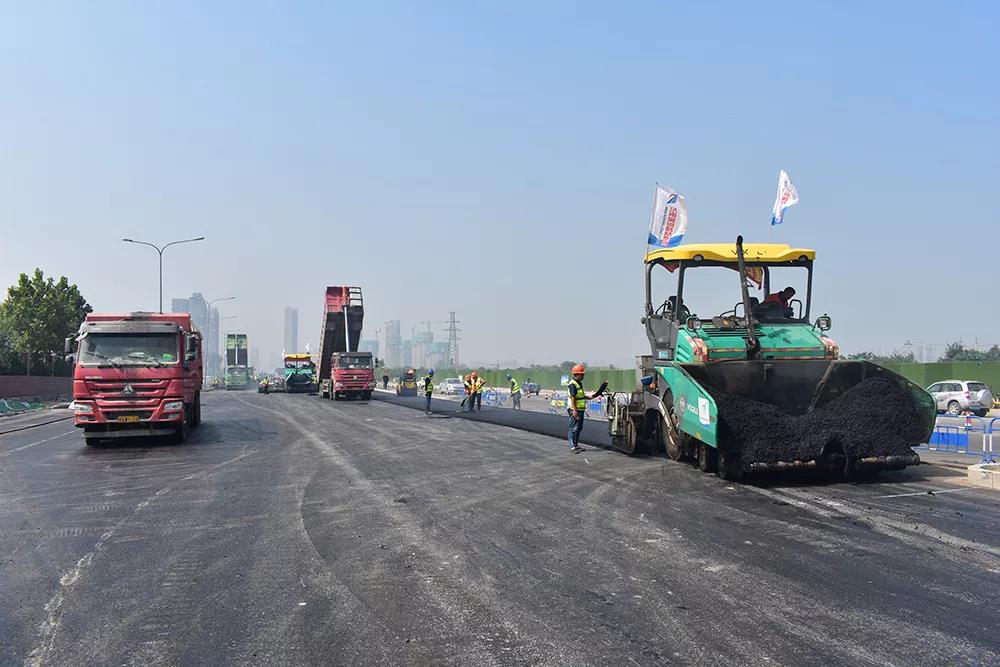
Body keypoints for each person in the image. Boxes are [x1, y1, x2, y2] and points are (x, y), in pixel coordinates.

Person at [567, 363, 599, 453]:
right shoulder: (572, 384)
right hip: (574, 409)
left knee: (579, 428)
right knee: (573, 428)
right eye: (582, 374)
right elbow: (573, 398)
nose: (583, 376)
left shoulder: (579, 383)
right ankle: (572, 447)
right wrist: (574, 411)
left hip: (580, 409)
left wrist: (592, 396)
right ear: (577, 374)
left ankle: (576, 445)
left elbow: (581, 396)